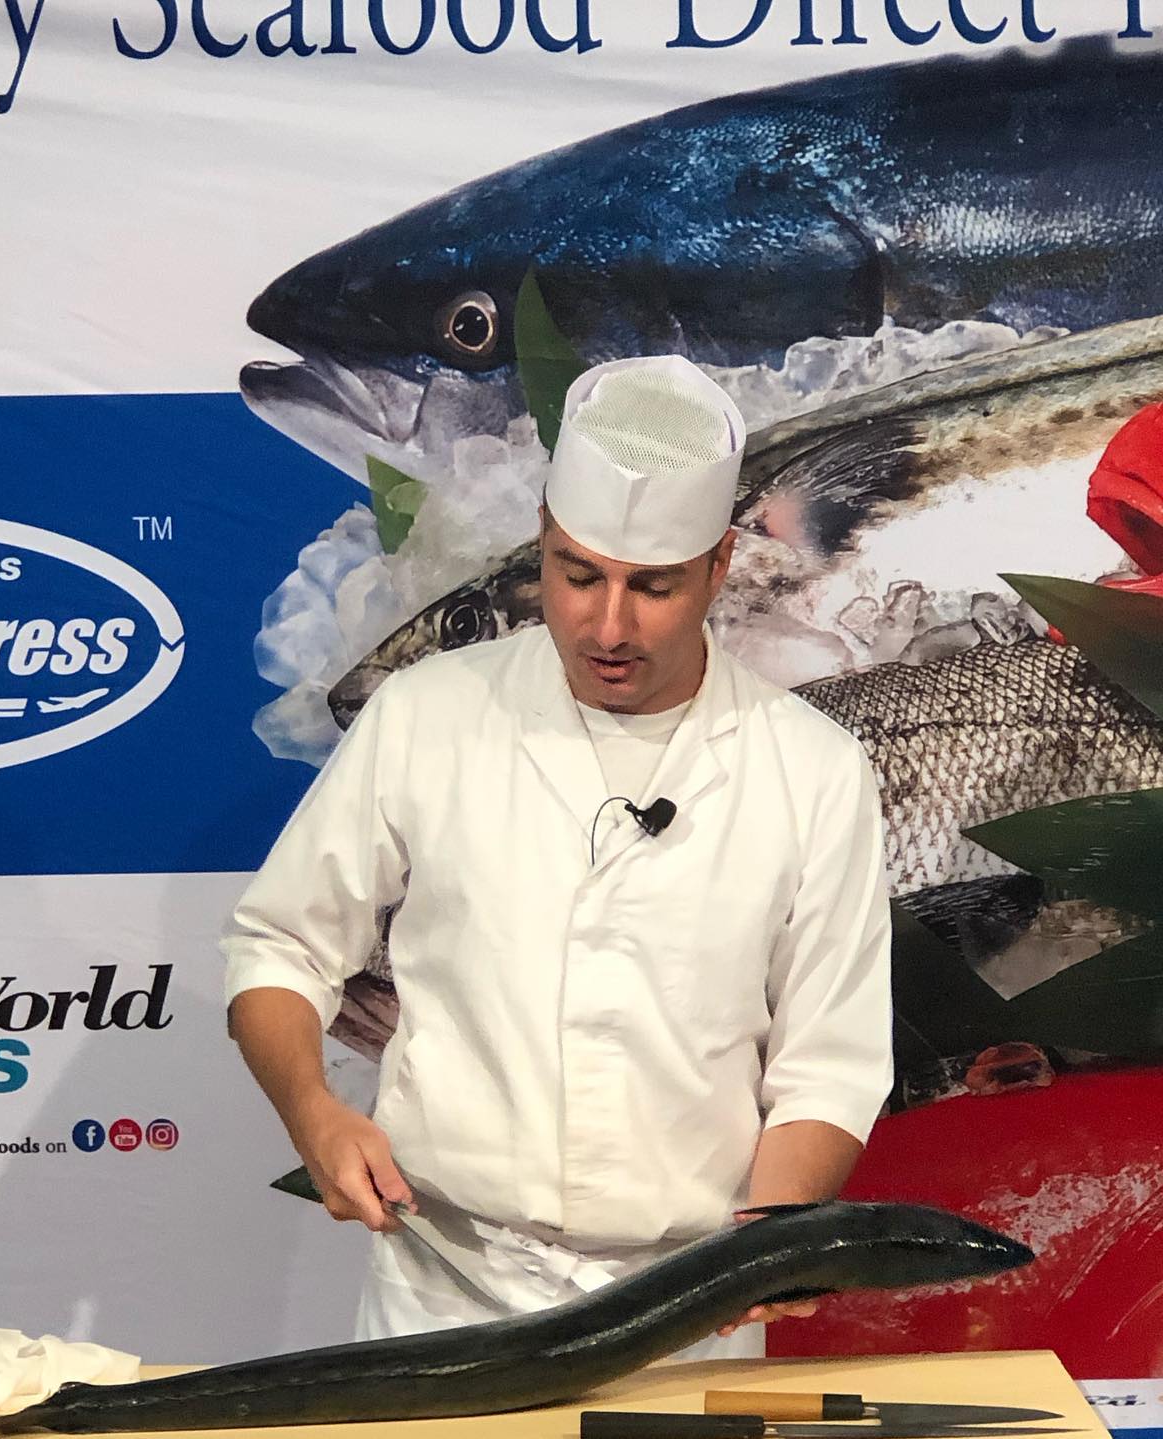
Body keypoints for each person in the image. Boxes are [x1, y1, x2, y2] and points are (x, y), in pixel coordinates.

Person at [223, 354, 893, 1358]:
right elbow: (278, 945)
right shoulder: (426, 714)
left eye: (653, 587)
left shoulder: (812, 768)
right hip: (443, 1293)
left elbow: (828, 1064)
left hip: (690, 1308)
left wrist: (770, 1239)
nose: (607, 624)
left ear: (720, 566)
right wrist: (313, 1109)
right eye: (577, 575)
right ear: (542, 538)